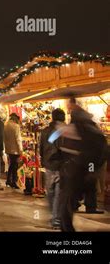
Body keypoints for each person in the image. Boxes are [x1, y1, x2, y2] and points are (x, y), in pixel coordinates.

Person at [56, 98, 106, 231]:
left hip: (74, 169)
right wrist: (93, 168)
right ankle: (88, 208)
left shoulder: (70, 128)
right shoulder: (92, 129)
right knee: (78, 195)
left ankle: (66, 227)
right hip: (85, 169)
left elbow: (58, 145)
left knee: (68, 200)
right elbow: (101, 149)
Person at [40, 108, 65, 229]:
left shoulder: (45, 131)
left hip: (48, 164)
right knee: (58, 193)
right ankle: (56, 219)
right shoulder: (64, 131)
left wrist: (42, 160)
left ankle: (54, 215)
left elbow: (41, 147)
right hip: (60, 165)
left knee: (50, 191)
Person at [4, 113, 23, 189]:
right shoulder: (16, 126)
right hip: (15, 149)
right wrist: (21, 149)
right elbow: (18, 139)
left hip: (8, 149)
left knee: (11, 165)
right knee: (14, 166)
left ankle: (8, 180)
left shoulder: (5, 126)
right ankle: (14, 182)